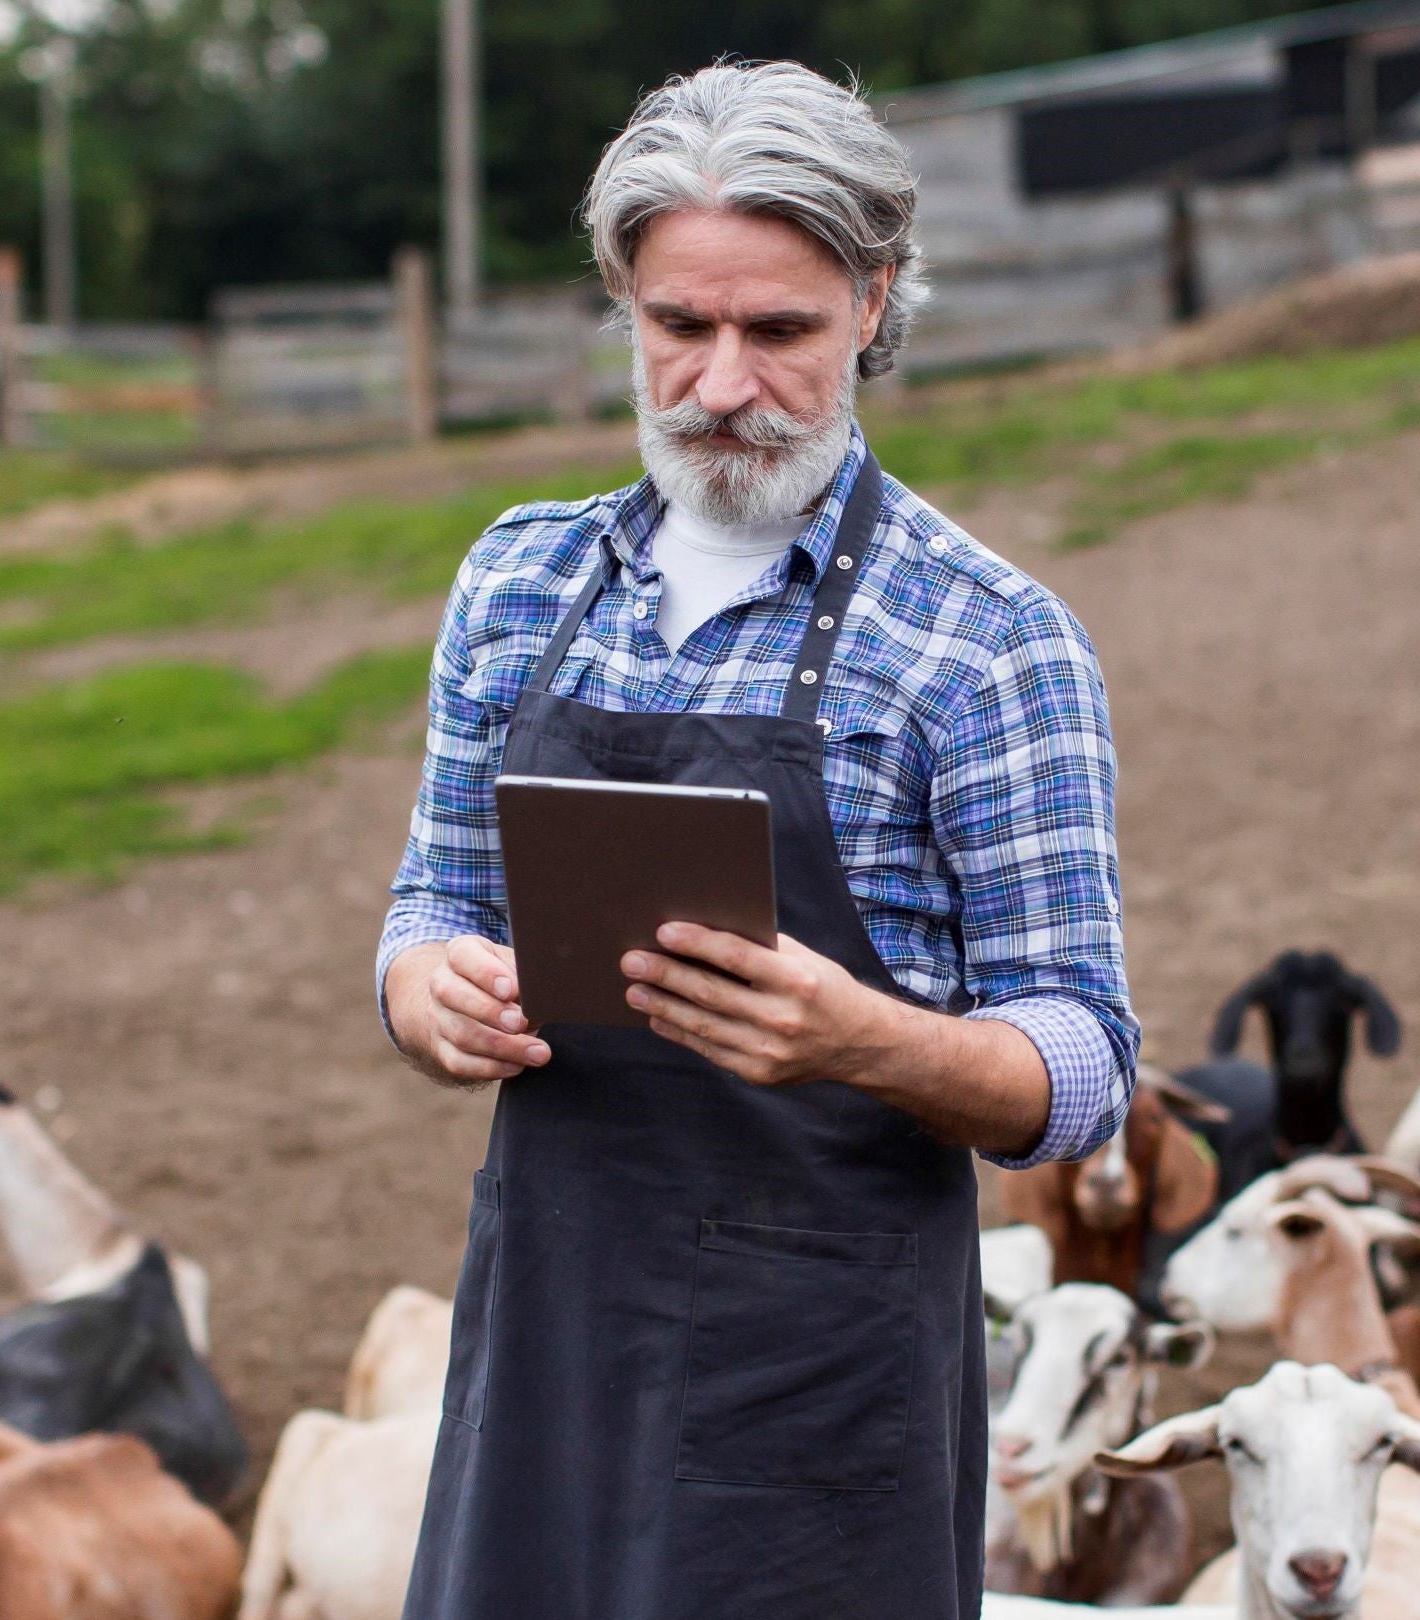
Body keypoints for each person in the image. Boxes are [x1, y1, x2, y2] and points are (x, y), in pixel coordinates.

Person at [376, 59, 1138, 1620]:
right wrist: (423, 990)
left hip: (822, 1388)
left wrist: (873, 1042)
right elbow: (432, 899)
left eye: (778, 332)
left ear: (872, 302)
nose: (721, 385)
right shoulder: (519, 588)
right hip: (551, 1336)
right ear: (625, 304)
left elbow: (1085, 1064)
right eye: (679, 328)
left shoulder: (989, 645)